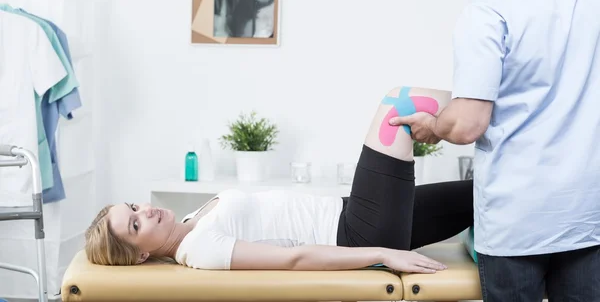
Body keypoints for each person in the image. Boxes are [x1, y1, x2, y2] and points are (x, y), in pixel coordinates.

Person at [391, 0, 600, 300]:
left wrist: (433, 127)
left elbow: (468, 122)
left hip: (517, 224)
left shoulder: (489, 7)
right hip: (588, 216)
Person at [85, 86, 474, 273]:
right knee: (402, 105)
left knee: (478, 195)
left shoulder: (191, 226)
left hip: (354, 214)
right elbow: (293, 259)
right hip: (359, 232)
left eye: (134, 207)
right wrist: (382, 254)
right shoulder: (201, 250)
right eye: (135, 224)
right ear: (140, 255)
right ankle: (492, 114)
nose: (146, 211)